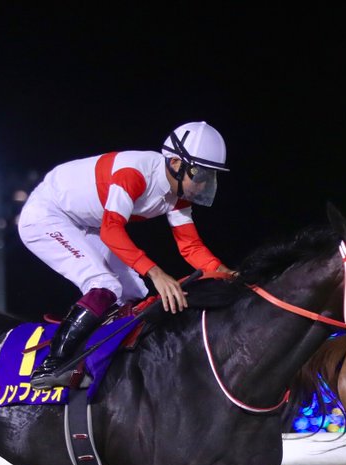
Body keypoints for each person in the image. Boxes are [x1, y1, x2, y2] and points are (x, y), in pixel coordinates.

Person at [18, 121, 238, 389]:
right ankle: (53, 365)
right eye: (201, 173)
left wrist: (226, 273)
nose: (204, 184)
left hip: (86, 224)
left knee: (133, 291)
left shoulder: (178, 194)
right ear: (176, 164)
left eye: (210, 176)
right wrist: (156, 273)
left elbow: (190, 246)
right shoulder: (135, 173)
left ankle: (102, 361)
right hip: (47, 215)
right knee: (105, 284)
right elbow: (111, 231)